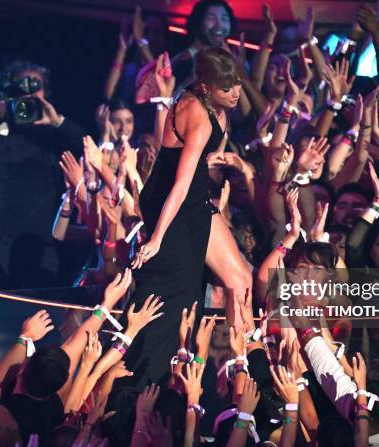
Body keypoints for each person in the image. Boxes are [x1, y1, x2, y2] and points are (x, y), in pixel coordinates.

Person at [123, 46, 245, 388]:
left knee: (233, 282)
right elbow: (180, 182)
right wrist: (157, 238)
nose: (235, 93)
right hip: (174, 203)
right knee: (179, 293)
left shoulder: (199, 100)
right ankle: (153, 379)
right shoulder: (201, 117)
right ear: (206, 86)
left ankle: (231, 365)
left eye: (236, 84)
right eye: (226, 88)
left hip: (188, 199)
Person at [0, 60, 86, 289]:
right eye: (21, 86)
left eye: (36, 85)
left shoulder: (52, 134)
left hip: (43, 244)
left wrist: (59, 122)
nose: (29, 92)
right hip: (0, 244)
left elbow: (90, 151)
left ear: (46, 91)